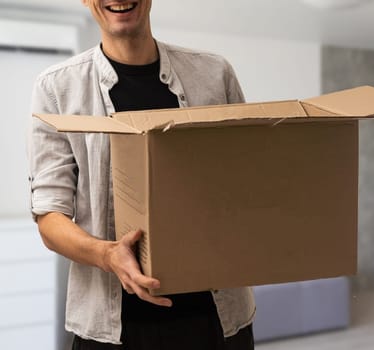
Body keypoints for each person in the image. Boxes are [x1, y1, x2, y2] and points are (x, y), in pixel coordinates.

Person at [27, 0, 255, 348]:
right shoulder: (57, 88)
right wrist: (106, 255)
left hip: (217, 321)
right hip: (113, 331)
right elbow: (49, 215)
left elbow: (247, 180)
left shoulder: (214, 74)